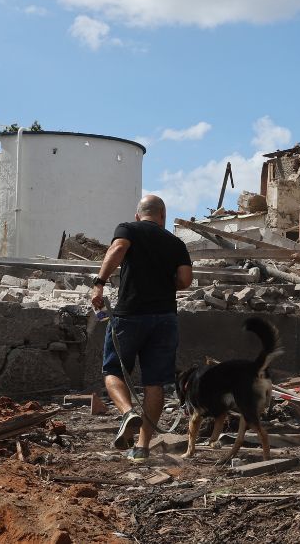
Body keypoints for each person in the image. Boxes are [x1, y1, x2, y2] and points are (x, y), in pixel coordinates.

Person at [90, 194, 192, 461]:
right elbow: (185, 280)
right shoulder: (176, 242)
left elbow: (118, 248)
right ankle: (142, 447)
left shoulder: (128, 229)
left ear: (138, 215)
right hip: (165, 318)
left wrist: (99, 282)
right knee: (154, 382)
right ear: (163, 215)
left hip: (130, 315)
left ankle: (127, 413)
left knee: (113, 370)